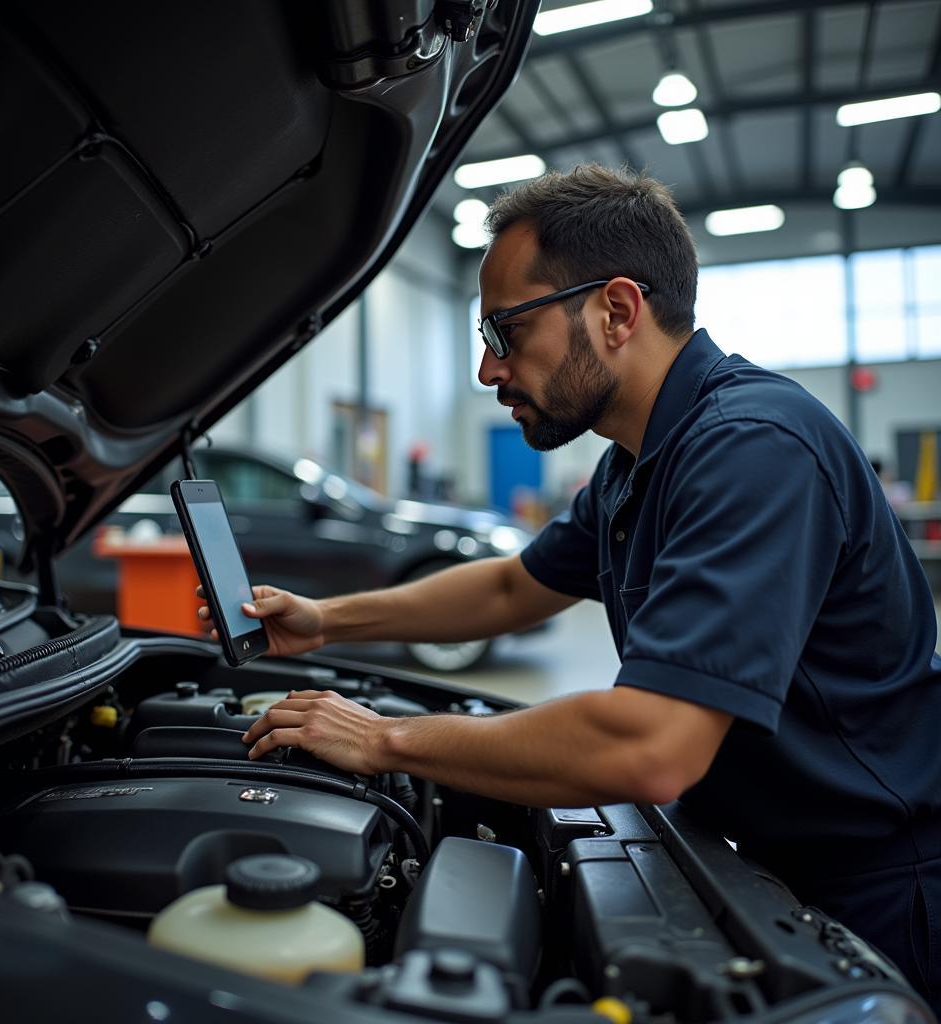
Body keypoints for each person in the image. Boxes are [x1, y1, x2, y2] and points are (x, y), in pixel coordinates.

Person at [198, 165, 941, 1006]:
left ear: (616, 311)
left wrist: (385, 739)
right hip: (777, 864)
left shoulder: (754, 449)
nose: (487, 369)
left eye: (506, 332)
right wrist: (324, 621)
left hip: (889, 894)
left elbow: (650, 744)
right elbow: (514, 589)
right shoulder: (637, 464)